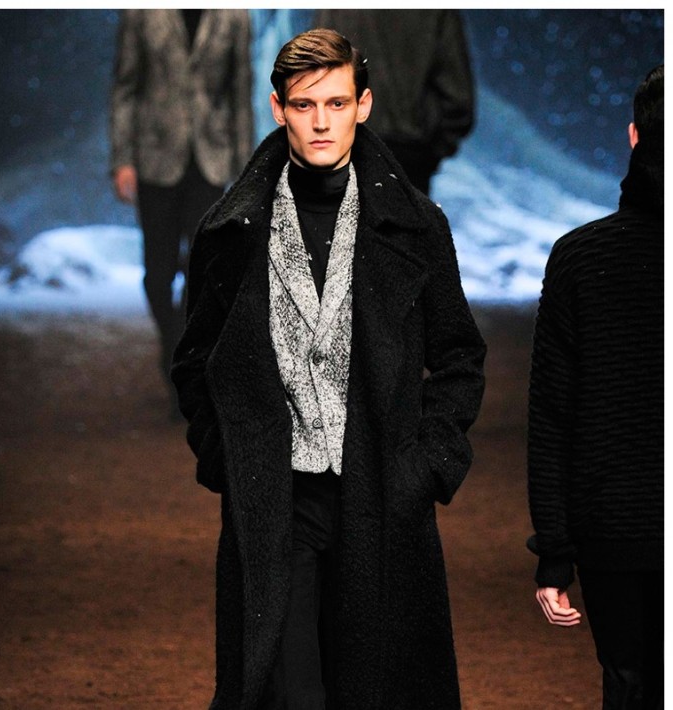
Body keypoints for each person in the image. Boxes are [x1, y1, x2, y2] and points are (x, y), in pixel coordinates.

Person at [171, 28, 486, 710]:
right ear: (278, 108)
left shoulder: (415, 226)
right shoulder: (232, 231)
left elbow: (460, 355)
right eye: (305, 104)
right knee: (290, 690)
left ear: (363, 106)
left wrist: (427, 465)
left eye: (336, 103)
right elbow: (195, 359)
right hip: (275, 496)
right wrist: (226, 457)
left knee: (372, 687)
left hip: (381, 490)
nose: (321, 122)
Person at [527, 65, 663, 709]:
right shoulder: (580, 259)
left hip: (613, 528)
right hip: (617, 526)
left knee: (630, 682)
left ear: (634, 136)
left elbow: (553, 416)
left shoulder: (580, 258)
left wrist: (555, 553)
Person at [110, 9, 253, 417]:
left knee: (204, 270)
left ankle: (188, 370)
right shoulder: (141, 11)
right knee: (157, 274)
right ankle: (174, 351)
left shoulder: (233, 14)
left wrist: (248, 168)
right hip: (154, 157)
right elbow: (125, 86)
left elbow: (240, 92)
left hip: (210, 161)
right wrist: (122, 159)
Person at [313, 10, 474, 195]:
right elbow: (458, 99)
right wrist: (430, 154)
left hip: (346, 152)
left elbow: (313, 77)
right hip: (409, 158)